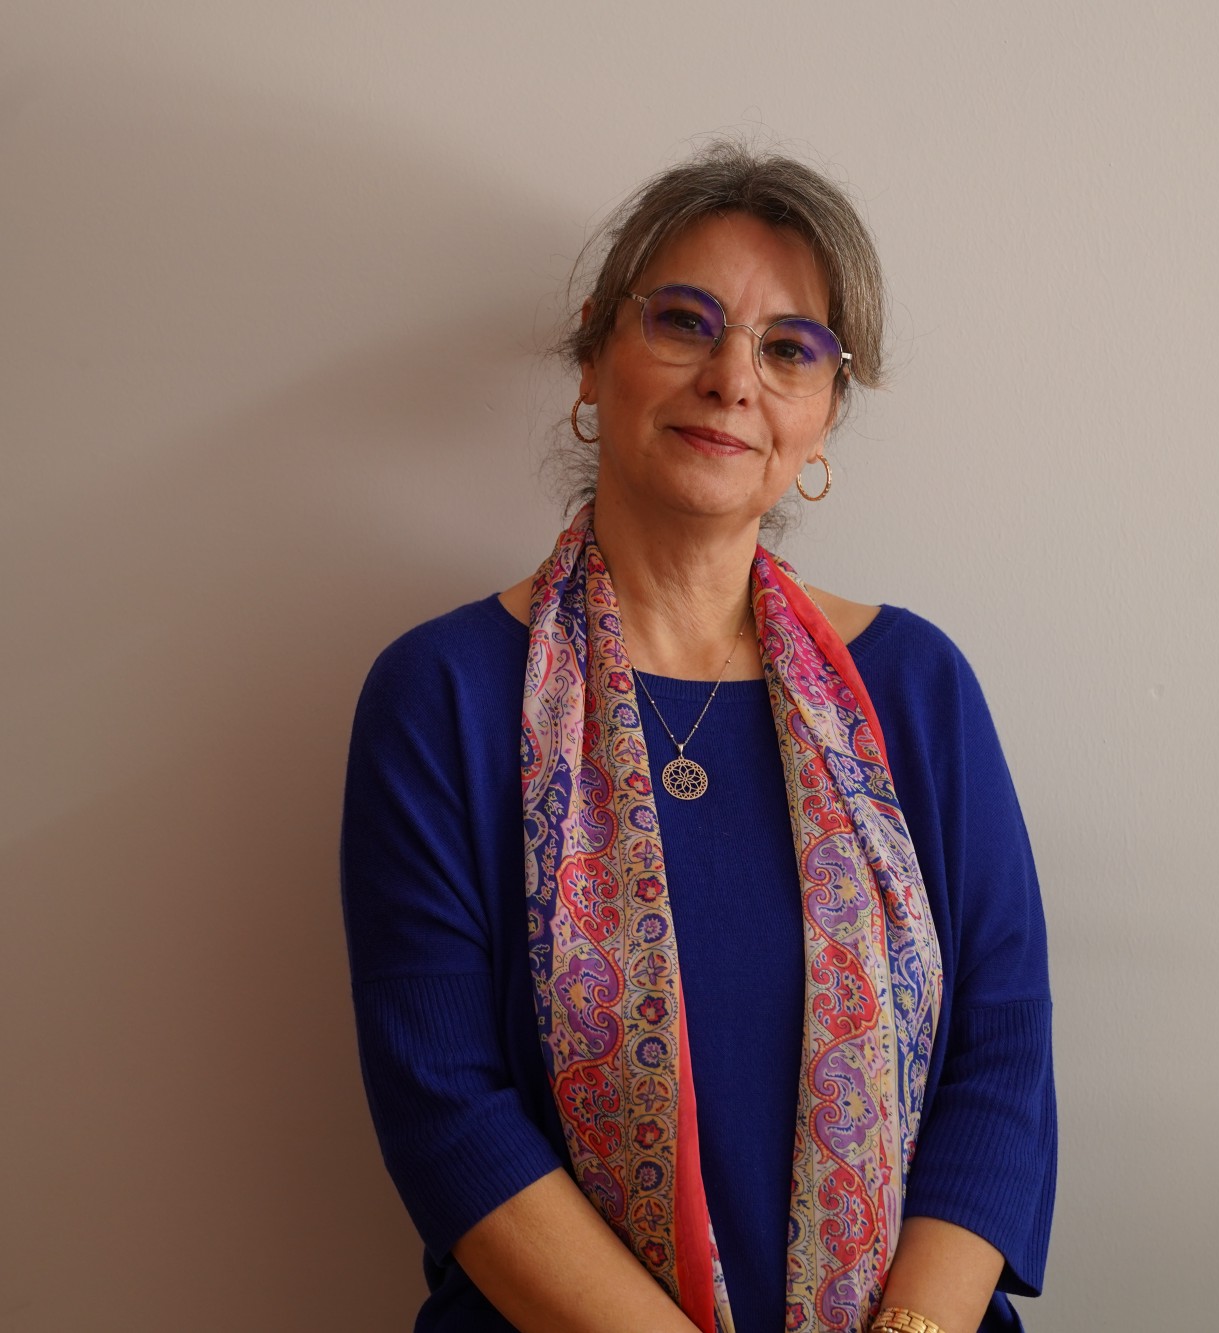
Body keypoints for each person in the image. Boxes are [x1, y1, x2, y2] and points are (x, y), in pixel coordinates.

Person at [339, 142, 1055, 1333]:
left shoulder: (914, 686)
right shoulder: (444, 695)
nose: (732, 380)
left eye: (789, 350)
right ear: (593, 354)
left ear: (823, 417)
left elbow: (1002, 1055)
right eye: (684, 322)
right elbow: (445, 1107)